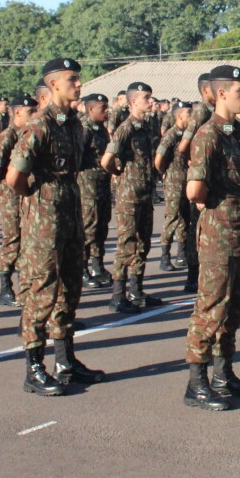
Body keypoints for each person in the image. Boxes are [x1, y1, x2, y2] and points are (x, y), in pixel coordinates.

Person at [7, 58, 102, 396]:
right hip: (44, 216)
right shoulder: (38, 126)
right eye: (72, 80)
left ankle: (65, 360)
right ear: (54, 86)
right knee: (41, 290)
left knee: (70, 287)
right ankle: (34, 367)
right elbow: (14, 177)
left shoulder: (75, 124)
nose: (79, 84)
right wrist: (35, 199)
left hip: (71, 210)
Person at [182, 64, 240, 410]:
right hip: (218, 234)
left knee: (234, 308)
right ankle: (196, 382)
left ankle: (223, 374)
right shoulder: (208, 134)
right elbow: (194, 190)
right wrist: (211, 206)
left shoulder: (238, 133)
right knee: (210, 307)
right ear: (222, 93)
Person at [102, 81, 162, 312]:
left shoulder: (145, 127)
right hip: (129, 194)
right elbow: (106, 160)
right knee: (127, 243)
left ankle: (136, 290)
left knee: (143, 243)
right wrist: (118, 174)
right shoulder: (125, 128)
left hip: (145, 193)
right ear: (133, 102)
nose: (151, 101)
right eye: (146, 97)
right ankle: (118, 295)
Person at [0, 93, 36, 306]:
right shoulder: (6, 136)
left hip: (26, 192)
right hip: (11, 195)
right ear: (17, 112)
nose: (34, 115)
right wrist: (5, 184)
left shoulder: (30, 133)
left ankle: (26, 284)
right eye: (30, 112)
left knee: (28, 239)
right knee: (12, 238)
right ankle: (5, 286)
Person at [177, 73, 216, 293]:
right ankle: (192, 276)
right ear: (204, 90)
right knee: (196, 228)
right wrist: (195, 163)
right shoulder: (201, 112)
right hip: (200, 179)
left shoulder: (214, 113)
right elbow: (184, 146)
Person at [77, 92, 113, 289]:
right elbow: (77, 158)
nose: (107, 112)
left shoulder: (101, 129)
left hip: (102, 184)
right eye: (103, 109)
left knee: (102, 226)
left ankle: (98, 265)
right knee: (89, 227)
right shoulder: (85, 129)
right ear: (90, 109)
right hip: (88, 186)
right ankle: (82, 268)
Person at [155, 100, 191, 273]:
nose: (191, 117)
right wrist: (166, 173)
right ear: (179, 116)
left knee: (185, 217)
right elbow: (159, 159)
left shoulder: (188, 134)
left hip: (186, 179)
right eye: (188, 114)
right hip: (174, 181)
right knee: (173, 217)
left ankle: (182, 253)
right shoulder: (171, 135)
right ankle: (165, 256)